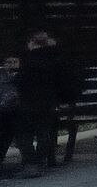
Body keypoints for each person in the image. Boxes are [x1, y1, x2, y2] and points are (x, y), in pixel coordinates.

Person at [21, 32, 66, 168]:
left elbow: (23, 81)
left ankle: (32, 162)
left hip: (31, 101)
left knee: (23, 132)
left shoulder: (30, 59)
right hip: (49, 100)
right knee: (44, 131)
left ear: (32, 43)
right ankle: (40, 160)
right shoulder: (55, 57)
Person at [0, 54, 34, 179]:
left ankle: (30, 163)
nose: (12, 65)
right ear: (4, 65)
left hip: (21, 114)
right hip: (3, 115)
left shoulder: (24, 79)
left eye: (14, 62)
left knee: (18, 129)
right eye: (9, 62)